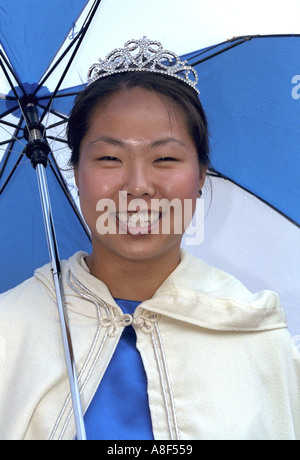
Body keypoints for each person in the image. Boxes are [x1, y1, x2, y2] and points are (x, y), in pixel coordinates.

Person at [0, 37, 300, 441]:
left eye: (165, 159)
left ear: (199, 176)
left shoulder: (261, 341)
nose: (138, 186)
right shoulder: (10, 330)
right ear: (77, 172)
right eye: (109, 158)